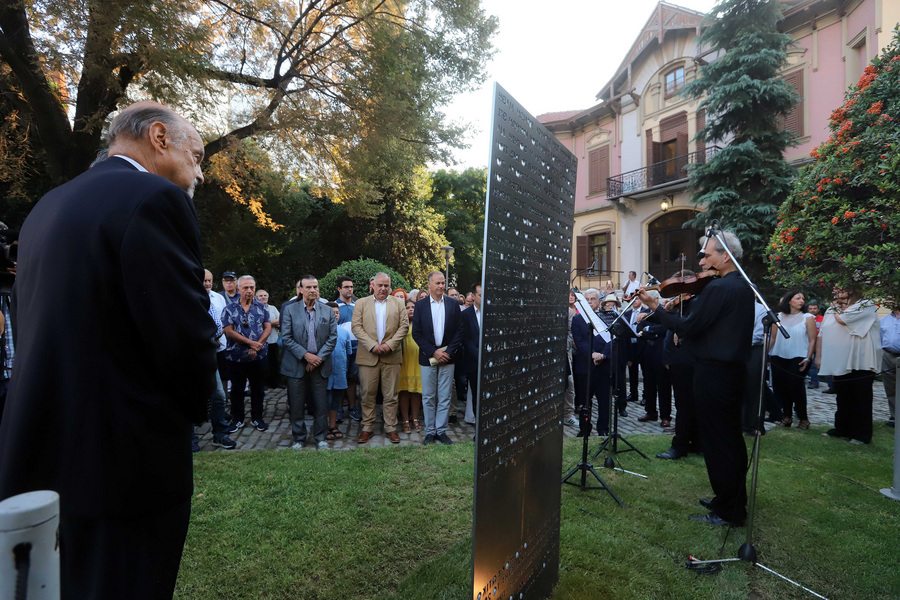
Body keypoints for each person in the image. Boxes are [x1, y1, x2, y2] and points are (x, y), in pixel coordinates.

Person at [0, 102, 216, 599]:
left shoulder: (47, 205)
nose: (199, 173)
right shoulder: (154, 199)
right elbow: (183, 337)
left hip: (41, 446)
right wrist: (193, 406)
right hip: (123, 462)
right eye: (198, 156)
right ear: (159, 137)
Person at [639, 230, 754, 527]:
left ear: (725, 257)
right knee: (730, 439)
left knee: (718, 442)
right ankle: (730, 499)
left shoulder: (719, 289)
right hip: (732, 372)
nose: (701, 259)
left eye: (706, 253)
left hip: (714, 373)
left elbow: (688, 327)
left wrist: (655, 309)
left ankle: (729, 511)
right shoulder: (741, 285)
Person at [816, 288, 880, 444]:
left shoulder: (865, 305)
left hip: (861, 360)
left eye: (840, 289)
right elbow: (822, 333)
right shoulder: (832, 309)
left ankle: (861, 435)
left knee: (861, 398)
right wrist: (819, 356)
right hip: (841, 359)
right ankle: (842, 429)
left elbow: (843, 320)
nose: (836, 292)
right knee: (843, 396)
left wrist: (836, 307)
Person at [351, 272, 409, 444]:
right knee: (367, 394)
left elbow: (404, 327)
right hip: (368, 356)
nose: (383, 288)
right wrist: (372, 345)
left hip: (391, 356)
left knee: (391, 395)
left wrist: (389, 345)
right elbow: (356, 327)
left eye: (386, 285)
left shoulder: (398, 303)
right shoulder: (361, 303)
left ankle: (391, 427)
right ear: (372, 285)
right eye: (380, 285)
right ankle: (367, 427)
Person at [281, 275, 336, 449]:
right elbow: (287, 337)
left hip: (320, 364)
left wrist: (317, 358)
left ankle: (320, 438)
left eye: (315, 287)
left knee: (321, 404)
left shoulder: (327, 310)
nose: (313, 290)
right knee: (297, 404)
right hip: (296, 364)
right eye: (309, 287)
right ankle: (299, 438)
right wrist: (306, 356)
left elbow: (332, 337)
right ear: (301, 290)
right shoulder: (290, 310)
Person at [412, 271, 464, 445]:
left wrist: (448, 351)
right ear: (429, 285)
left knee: (445, 396)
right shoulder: (420, 306)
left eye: (443, 283)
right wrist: (434, 352)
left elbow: (459, 331)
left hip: (448, 357)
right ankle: (429, 432)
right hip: (428, 358)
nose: (441, 286)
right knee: (428, 396)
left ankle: (441, 431)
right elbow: (416, 334)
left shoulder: (452, 304)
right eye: (438, 283)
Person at [223, 275, 271, 432]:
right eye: (245, 288)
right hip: (236, 357)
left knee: (258, 389)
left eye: (252, 287)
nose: (249, 291)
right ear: (238, 289)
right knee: (237, 389)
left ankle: (257, 418)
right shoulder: (229, 309)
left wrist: (258, 345)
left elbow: (268, 327)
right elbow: (228, 331)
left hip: (259, 355)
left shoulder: (262, 307)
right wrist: (250, 343)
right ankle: (237, 418)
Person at [768, 291, 817, 430]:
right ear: (789, 300)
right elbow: (773, 338)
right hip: (778, 355)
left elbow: (813, 339)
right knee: (780, 387)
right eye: (798, 298)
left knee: (795, 386)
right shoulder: (777, 317)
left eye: (803, 298)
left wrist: (808, 357)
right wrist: (765, 353)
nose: (802, 300)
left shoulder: (808, 317)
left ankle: (803, 418)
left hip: (799, 356)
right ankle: (786, 416)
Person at [571, 288, 612, 437]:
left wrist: (603, 355)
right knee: (584, 400)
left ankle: (603, 429)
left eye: (592, 299)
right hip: (585, 366)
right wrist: (592, 354)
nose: (589, 301)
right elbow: (579, 341)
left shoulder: (606, 317)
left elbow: (611, 339)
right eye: (586, 299)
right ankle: (584, 428)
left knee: (604, 401)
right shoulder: (577, 319)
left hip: (603, 366)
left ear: (599, 301)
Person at [335, 276, 360, 422]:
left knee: (352, 379)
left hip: (357, 347)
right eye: (346, 287)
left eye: (351, 286)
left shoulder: (358, 305)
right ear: (339, 289)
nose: (349, 289)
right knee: (339, 378)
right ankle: (337, 409)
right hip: (340, 349)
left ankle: (352, 407)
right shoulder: (334, 307)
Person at [325, 302, 352, 439]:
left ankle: (333, 425)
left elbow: (348, 352)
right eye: (332, 312)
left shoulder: (344, 332)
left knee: (336, 400)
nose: (335, 315)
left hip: (340, 371)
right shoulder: (321, 331)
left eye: (337, 313)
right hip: (325, 373)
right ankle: (324, 426)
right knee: (325, 400)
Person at [398, 299, 423, 433]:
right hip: (404, 362)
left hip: (418, 362)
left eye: (413, 307)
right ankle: (405, 420)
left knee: (416, 392)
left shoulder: (421, 323)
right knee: (404, 392)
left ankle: (415, 418)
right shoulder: (401, 325)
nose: (411, 309)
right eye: (407, 307)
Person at [256, 289, 281, 388]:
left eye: (265, 295)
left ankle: (275, 383)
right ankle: (264, 384)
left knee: (274, 362)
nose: (263, 297)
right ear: (256, 298)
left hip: (273, 340)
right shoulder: (255, 309)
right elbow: (258, 324)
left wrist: (267, 323)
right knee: (263, 364)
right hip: (261, 342)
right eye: (260, 296)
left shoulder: (273, 308)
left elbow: (280, 320)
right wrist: (271, 323)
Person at [881, 304, 900, 427]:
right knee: (890, 387)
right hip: (888, 354)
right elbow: (880, 338)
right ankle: (894, 416)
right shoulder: (884, 320)